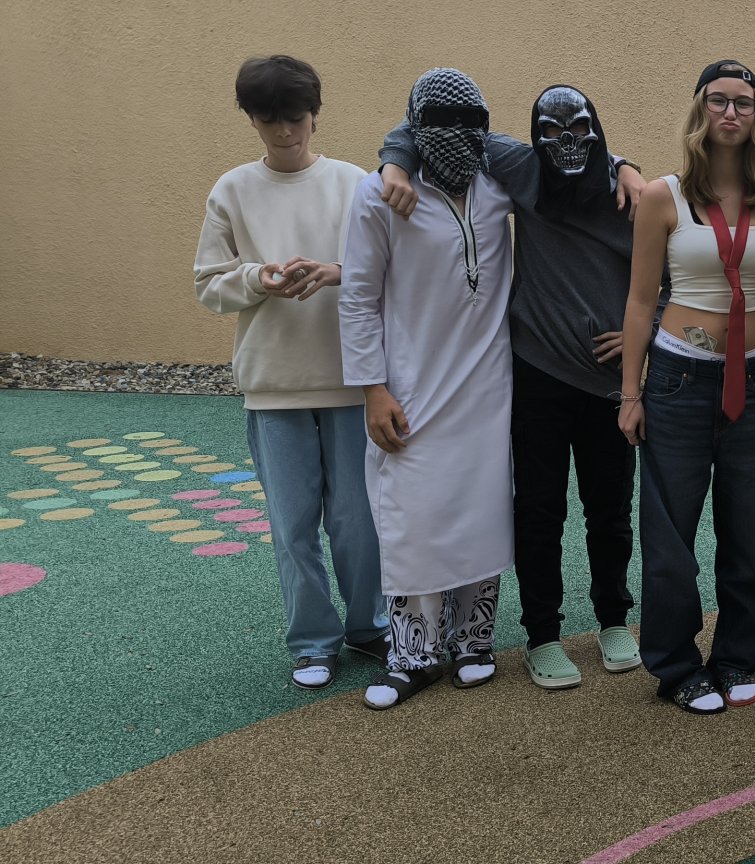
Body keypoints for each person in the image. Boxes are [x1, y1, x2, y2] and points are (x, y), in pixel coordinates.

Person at [375, 85, 650, 690]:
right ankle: (542, 635)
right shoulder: (523, 167)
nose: (565, 143)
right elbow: (431, 125)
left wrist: (647, 332)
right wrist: (394, 163)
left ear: (598, 131)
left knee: (610, 511)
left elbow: (672, 270)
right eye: (550, 131)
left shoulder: (628, 194)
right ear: (534, 137)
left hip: (608, 382)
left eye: (580, 129)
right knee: (539, 510)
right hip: (538, 374)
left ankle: (613, 621)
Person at [192, 54, 386, 691]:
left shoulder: (354, 183)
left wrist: (335, 272)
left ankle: (370, 625)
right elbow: (208, 285)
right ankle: (311, 642)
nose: (284, 132)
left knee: (358, 520)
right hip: (272, 387)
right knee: (292, 526)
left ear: (315, 115)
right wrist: (257, 278)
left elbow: (389, 272)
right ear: (251, 119)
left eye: (295, 118)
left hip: (351, 381)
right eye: (269, 119)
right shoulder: (232, 190)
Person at [617, 60, 755, 715]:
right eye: (718, 100)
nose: (730, 113)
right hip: (679, 381)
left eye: (743, 102)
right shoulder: (662, 196)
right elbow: (641, 300)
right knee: (670, 537)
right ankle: (676, 666)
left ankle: (739, 654)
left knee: (752, 531)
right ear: (700, 109)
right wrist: (631, 393)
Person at [339, 67, 514, 709]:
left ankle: (473, 643)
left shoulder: (500, 184)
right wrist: (372, 387)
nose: (458, 136)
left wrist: (625, 169)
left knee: (483, 515)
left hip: (488, 387)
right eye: (439, 124)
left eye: (472, 123)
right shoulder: (379, 195)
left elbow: (566, 158)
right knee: (412, 519)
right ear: (415, 127)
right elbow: (357, 296)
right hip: (409, 389)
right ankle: (413, 656)